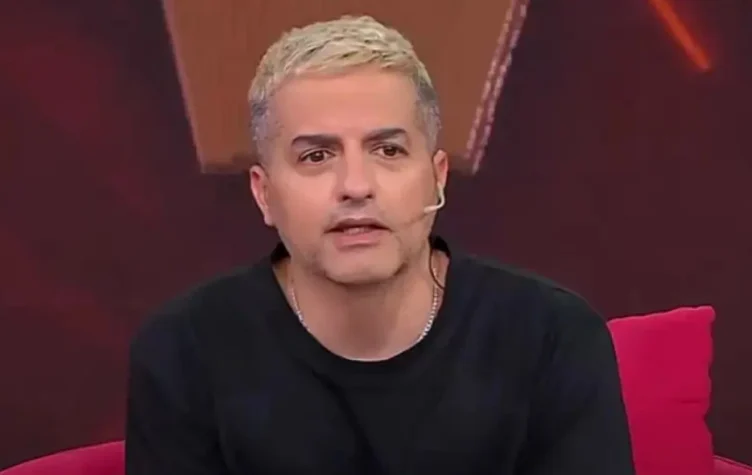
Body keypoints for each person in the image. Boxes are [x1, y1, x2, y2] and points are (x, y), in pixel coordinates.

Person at [125, 15, 634, 474]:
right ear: (264, 194)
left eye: (388, 150)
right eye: (317, 156)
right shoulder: (184, 353)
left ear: (437, 178)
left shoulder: (551, 338)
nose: (356, 186)